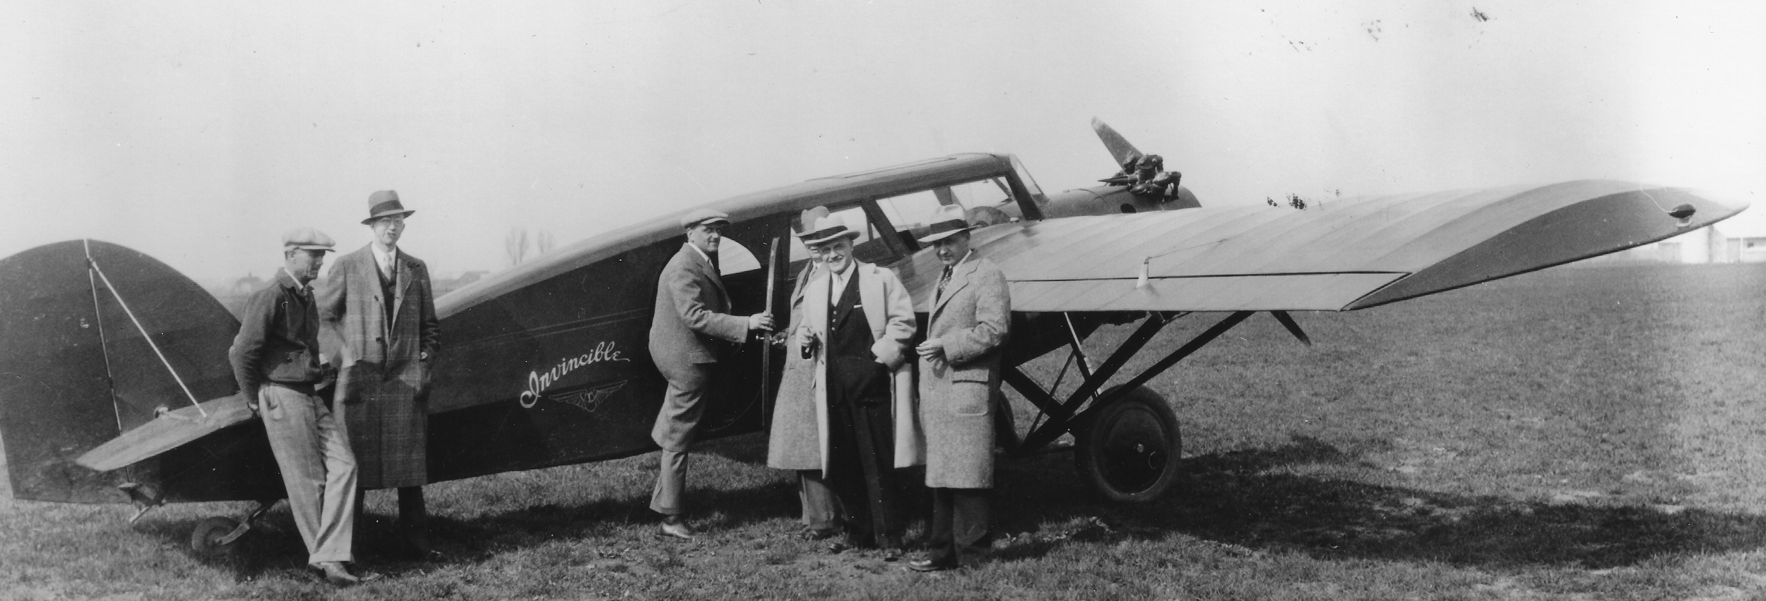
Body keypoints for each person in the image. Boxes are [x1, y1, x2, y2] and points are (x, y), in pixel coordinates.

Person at [766, 209, 922, 560]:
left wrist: (879, 362)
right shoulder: (817, 288)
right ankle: (858, 532)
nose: (832, 254)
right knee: (843, 463)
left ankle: (889, 537)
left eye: (838, 246)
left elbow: (903, 323)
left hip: (872, 388)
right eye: (825, 249)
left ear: (851, 245)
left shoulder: (879, 279)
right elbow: (809, 330)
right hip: (833, 390)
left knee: (878, 463)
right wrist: (805, 338)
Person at [230, 227, 371, 586]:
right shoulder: (271, 294)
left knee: (345, 466)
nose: (320, 261)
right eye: (313, 254)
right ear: (291, 254)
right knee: (308, 482)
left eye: (322, 255)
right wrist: (254, 398)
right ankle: (329, 562)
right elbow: (241, 353)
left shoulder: (305, 295)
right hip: (282, 394)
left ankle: (331, 552)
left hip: (308, 392)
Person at [318, 190, 442, 559]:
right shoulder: (347, 265)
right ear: (372, 225)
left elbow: (430, 327)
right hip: (360, 386)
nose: (393, 227)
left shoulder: (416, 269)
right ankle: (349, 551)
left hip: (405, 384)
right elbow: (323, 319)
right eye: (386, 221)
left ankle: (417, 548)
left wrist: (422, 363)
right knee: (355, 470)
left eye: (399, 221)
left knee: (410, 472)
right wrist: (345, 359)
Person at [648, 207, 774, 539]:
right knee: (678, 438)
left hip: (684, 356)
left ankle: (665, 505)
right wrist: (748, 323)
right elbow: (695, 316)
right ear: (690, 233)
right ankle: (671, 519)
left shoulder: (695, 260)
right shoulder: (684, 265)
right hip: (688, 361)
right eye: (708, 230)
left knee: (674, 434)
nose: (716, 235)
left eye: (719, 230)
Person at [908, 204, 1011, 572]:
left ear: (967, 237)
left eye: (949, 241)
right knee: (943, 474)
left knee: (968, 477)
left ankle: (973, 557)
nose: (942, 249)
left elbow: (995, 329)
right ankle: (942, 552)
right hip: (943, 391)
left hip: (966, 388)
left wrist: (946, 345)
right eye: (936, 244)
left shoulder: (987, 273)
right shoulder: (947, 275)